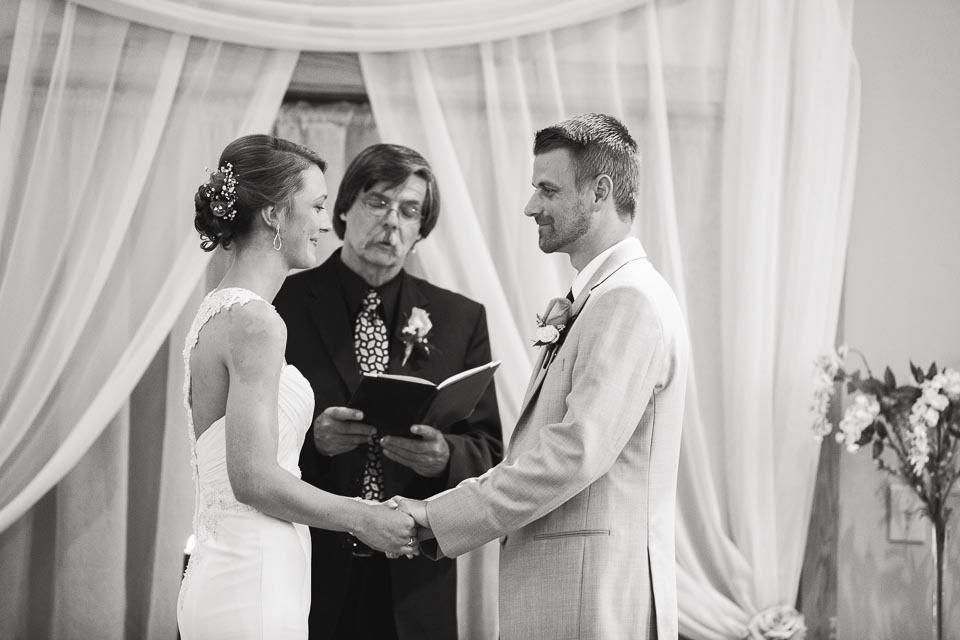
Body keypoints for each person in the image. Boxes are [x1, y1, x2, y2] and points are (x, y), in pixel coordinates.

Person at [399, 114, 689, 639]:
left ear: (599, 192)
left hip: (590, 603)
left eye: (548, 190)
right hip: (573, 595)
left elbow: (573, 453)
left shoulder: (627, 299)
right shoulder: (605, 295)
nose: (531, 206)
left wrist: (439, 515)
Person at [177, 134, 418, 640]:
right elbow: (254, 480)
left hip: (231, 569)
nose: (326, 224)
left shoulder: (218, 309)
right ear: (273, 214)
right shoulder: (257, 322)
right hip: (252, 579)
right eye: (318, 206)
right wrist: (362, 516)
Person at [273, 143, 503, 640]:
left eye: (409, 210)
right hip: (309, 566)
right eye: (377, 202)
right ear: (343, 208)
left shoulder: (461, 319)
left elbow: (489, 451)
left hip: (414, 576)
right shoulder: (282, 305)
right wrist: (315, 441)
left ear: (422, 229)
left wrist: (444, 457)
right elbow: (245, 445)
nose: (391, 222)